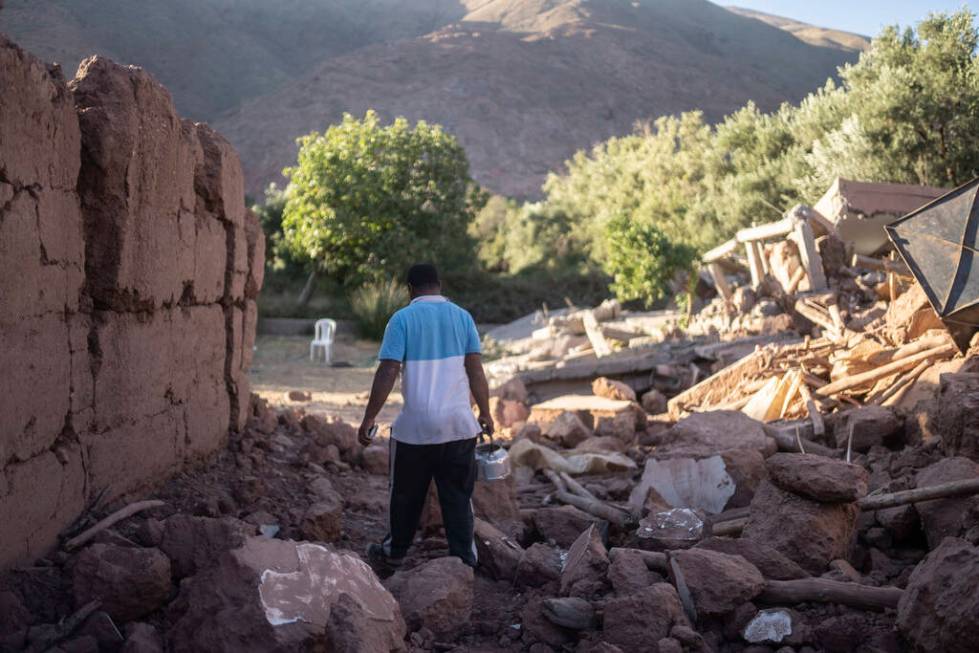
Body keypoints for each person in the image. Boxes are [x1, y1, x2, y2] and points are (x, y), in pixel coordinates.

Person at [358, 262, 493, 575]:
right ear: (439, 284)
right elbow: (476, 370)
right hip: (459, 427)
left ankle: (393, 555)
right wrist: (485, 412)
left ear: (409, 289)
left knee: (405, 496)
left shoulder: (402, 318)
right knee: (458, 497)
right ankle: (464, 560)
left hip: (414, 432)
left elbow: (388, 370)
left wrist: (369, 417)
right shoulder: (462, 317)